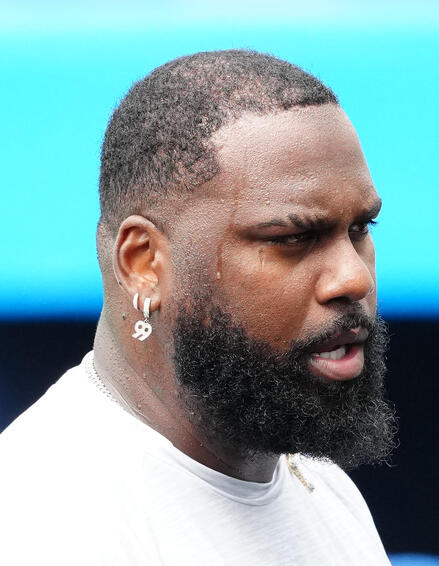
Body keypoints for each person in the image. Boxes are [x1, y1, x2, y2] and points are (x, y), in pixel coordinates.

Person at [0, 50, 397, 565]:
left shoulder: (322, 487)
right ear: (143, 262)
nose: (355, 278)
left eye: (360, 228)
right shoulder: (46, 523)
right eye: (293, 238)